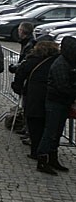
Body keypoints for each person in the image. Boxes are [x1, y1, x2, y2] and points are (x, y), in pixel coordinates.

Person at [13, 37, 58, 160]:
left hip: (34, 97)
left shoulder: (32, 60)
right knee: (47, 126)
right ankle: (47, 151)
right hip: (51, 98)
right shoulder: (57, 60)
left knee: (35, 126)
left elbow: (20, 74)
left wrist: (17, 88)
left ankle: (36, 151)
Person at [36, 36, 76, 175]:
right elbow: (62, 86)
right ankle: (42, 159)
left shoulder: (67, 62)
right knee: (50, 132)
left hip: (62, 102)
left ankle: (52, 157)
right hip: (56, 101)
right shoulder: (61, 64)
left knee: (57, 131)